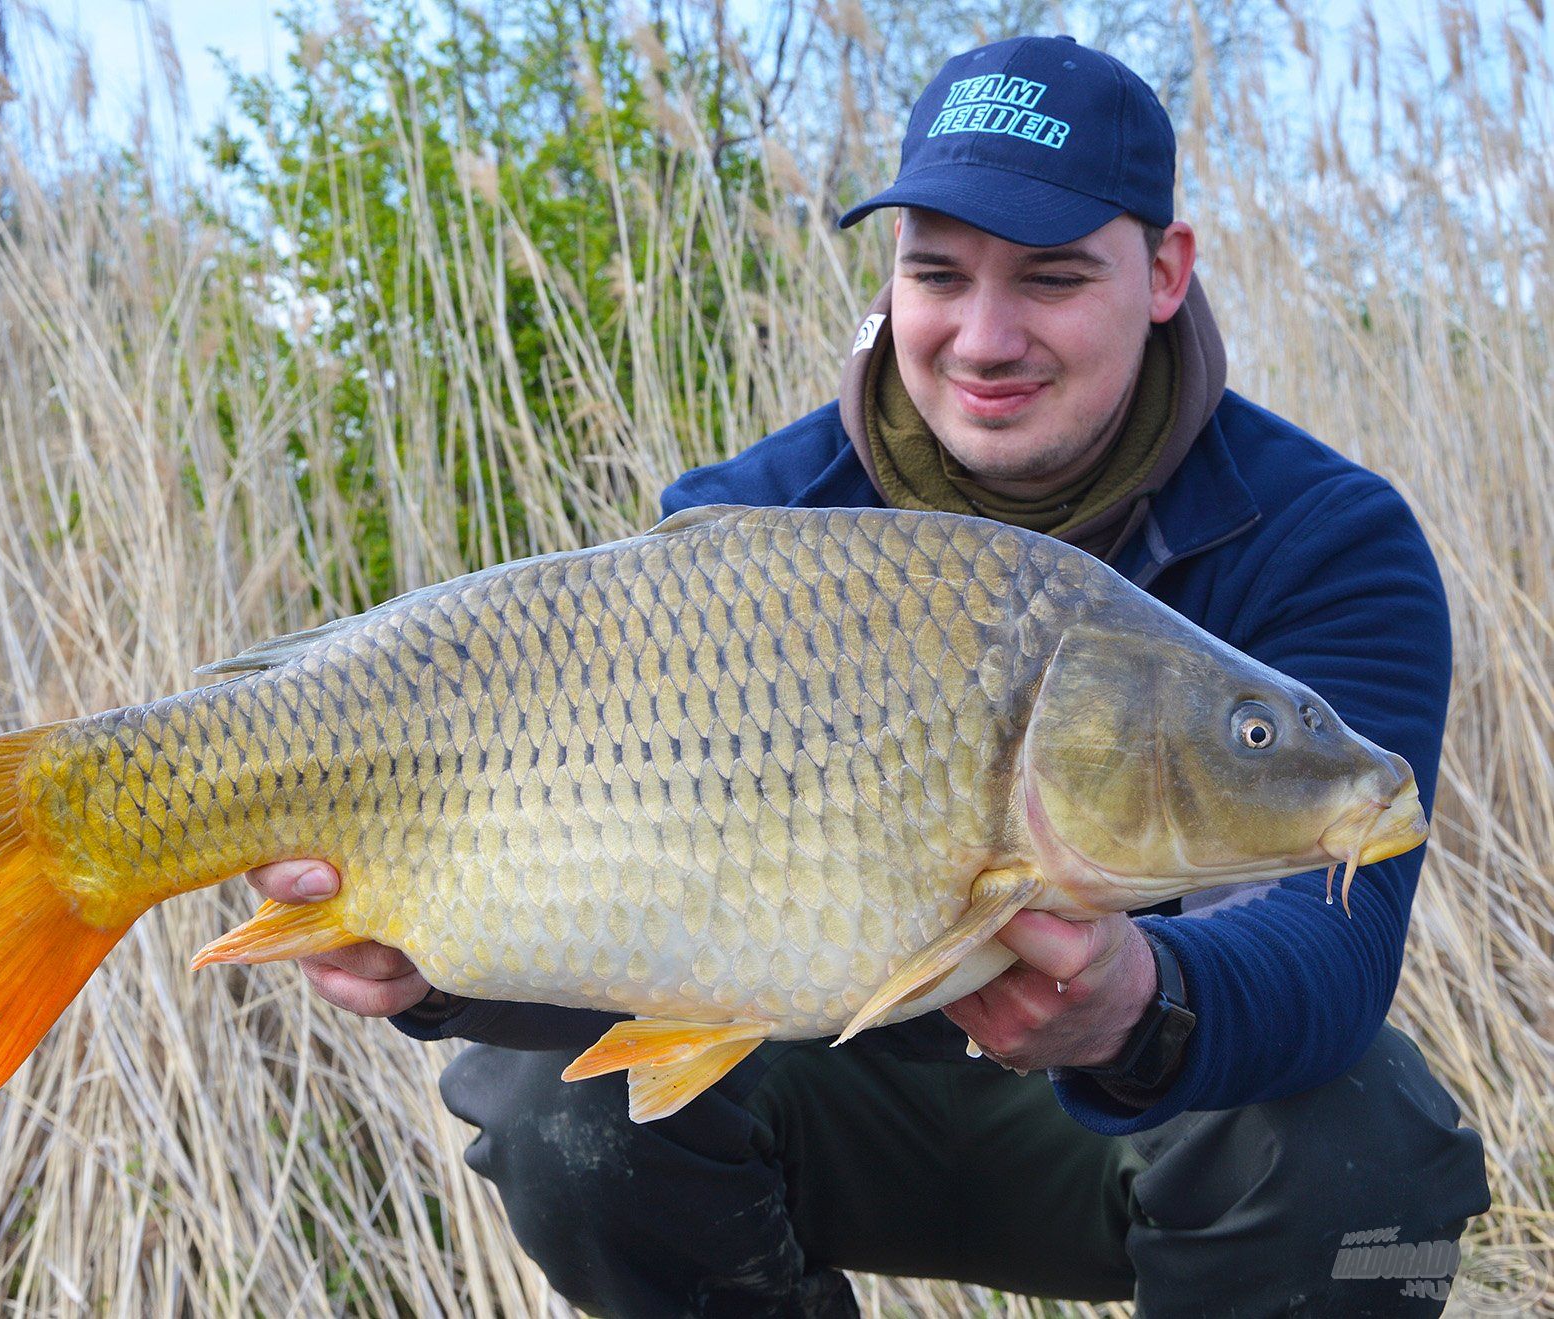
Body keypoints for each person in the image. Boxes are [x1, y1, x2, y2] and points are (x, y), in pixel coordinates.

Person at [245, 35, 1491, 1317]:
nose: (983, 336)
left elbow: (1337, 946)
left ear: (1165, 271)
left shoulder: (1326, 538)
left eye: (1052, 276)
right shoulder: (755, 524)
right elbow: (609, 896)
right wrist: (427, 966)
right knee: (549, 1104)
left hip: (1124, 1120)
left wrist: (1141, 1005)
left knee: (1378, 1158)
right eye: (936, 274)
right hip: (821, 1090)